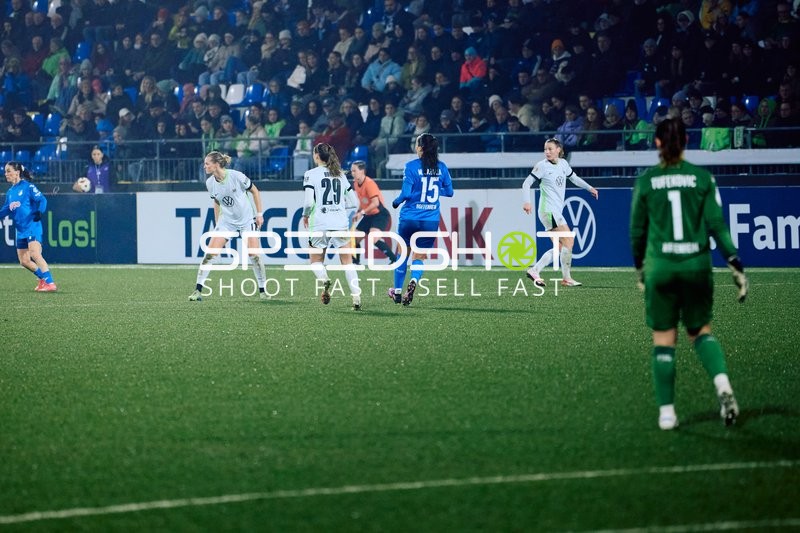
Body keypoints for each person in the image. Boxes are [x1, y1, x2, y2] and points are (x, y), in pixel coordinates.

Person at [629, 117, 748, 431]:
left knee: (664, 341)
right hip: (696, 267)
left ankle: (667, 413)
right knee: (701, 332)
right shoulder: (702, 178)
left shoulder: (646, 180)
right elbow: (717, 225)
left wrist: (639, 267)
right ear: (685, 142)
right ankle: (723, 386)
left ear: (656, 143)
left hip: (661, 269)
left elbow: (636, 233)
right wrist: (734, 260)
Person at [189, 151, 267, 301]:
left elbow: (255, 191)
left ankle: (263, 291)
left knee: (254, 256)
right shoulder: (210, 183)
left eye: (207, 163)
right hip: (227, 222)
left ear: (216, 164)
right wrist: (218, 222)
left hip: (246, 220)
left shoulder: (236, 176)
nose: (204, 166)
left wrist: (259, 214)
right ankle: (197, 291)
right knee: (209, 255)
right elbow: (217, 201)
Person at [522, 137, 599, 288]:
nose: (547, 152)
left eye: (550, 149)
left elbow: (574, 179)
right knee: (569, 241)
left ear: (559, 150)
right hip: (548, 211)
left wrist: (590, 188)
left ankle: (535, 270)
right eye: (545, 149)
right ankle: (566, 278)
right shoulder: (542, 166)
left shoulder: (563, 164)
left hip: (553, 212)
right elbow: (526, 183)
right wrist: (527, 201)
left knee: (559, 247)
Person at [389, 133, 454, 306]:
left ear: (420, 147)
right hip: (430, 220)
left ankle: (396, 292)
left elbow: (406, 194)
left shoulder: (411, 166)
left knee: (402, 255)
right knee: (419, 257)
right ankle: (414, 282)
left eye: (417, 145)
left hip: (409, 218)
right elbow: (449, 192)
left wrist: (396, 202)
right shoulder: (442, 167)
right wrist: (431, 193)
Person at [301, 143, 362, 311]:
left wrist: (305, 214)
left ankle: (324, 279)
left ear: (316, 156)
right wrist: (339, 208)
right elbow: (355, 203)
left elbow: (308, 202)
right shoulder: (340, 175)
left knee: (315, 261)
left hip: (319, 223)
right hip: (340, 223)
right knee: (347, 262)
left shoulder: (311, 174)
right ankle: (356, 297)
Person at [0, 162, 57, 291]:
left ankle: (51, 283)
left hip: (32, 225)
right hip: (20, 230)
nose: (6, 174)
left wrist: (39, 211)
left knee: (35, 254)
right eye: (5, 171)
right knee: (24, 261)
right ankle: (43, 279)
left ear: (17, 172)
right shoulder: (10, 192)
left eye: (8, 171)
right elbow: (5, 210)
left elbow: (42, 200)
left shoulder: (28, 187)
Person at [350, 160, 397, 266]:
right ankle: (356, 263)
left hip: (380, 214)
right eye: (351, 171)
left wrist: (361, 213)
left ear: (362, 171)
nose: (352, 173)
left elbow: (375, 203)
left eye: (354, 171)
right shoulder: (356, 184)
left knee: (373, 237)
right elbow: (363, 202)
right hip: (369, 215)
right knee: (355, 237)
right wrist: (358, 212)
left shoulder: (369, 183)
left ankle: (394, 260)